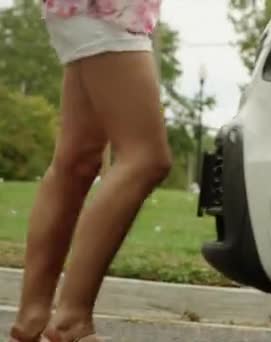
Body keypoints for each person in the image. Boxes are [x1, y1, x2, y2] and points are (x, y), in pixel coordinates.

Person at [8, 0, 171, 341]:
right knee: (146, 159)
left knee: (76, 162)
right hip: (109, 9)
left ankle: (32, 319)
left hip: (86, 9)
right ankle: (72, 320)